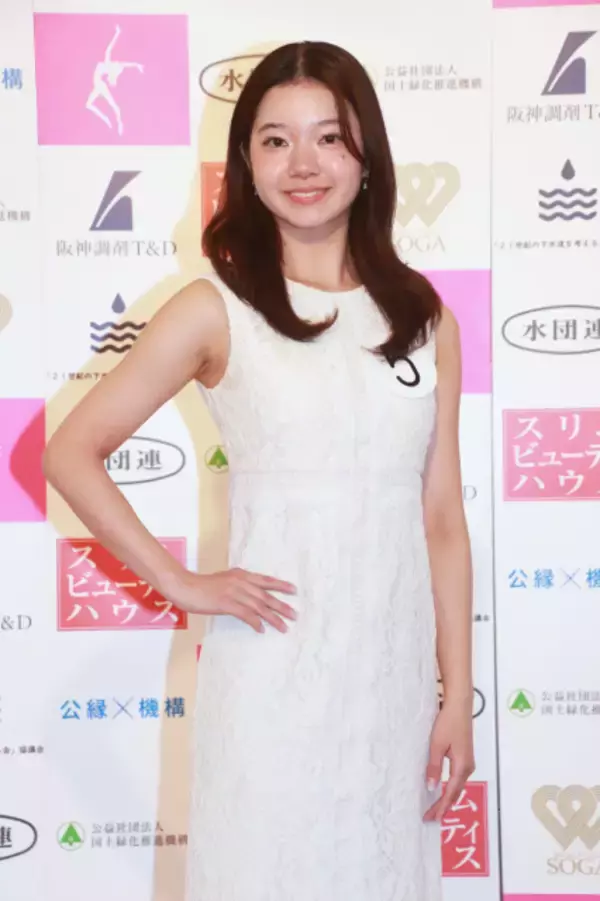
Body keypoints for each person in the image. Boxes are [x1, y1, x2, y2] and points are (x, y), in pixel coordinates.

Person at [44, 40, 474, 901]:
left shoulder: (424, 317)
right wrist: (180, 581)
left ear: (367, 155)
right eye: (276, 140)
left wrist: (455, 694)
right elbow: (68, 450)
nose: (303, 164)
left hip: (387, 686)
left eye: (329, 137)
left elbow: (441, 519)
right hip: (270, 676)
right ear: (246, 161)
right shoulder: (218, 307)